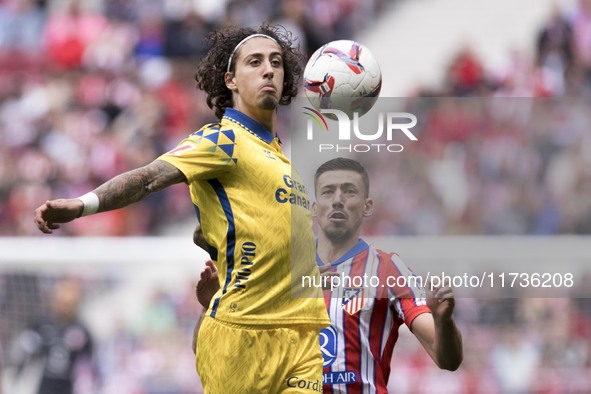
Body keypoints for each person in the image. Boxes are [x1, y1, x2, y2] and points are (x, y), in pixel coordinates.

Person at [33, 24, 329, 393]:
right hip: (243, 337)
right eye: (255, 62)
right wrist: (82, 204)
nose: (269, 69)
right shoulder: (223, 139)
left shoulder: (284, 161)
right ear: (231, 80)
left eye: (276, 62)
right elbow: (149, 177)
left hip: (303, 339)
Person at [193, 157, 463, 393]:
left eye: (349, 192)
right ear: (313, 208)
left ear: (367, 206)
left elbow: (448, 360)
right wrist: (212, 307)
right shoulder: (274, 265)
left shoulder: (388, 269)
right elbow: (204, 349)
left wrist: (444, 322)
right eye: (327, 192)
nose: (337, 200)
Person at [10, 278, 96, 394]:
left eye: (69, 305)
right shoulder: (41, 324)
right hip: (43, 385)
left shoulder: (81, 329)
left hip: (69, 387)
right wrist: (17, 374)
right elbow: (23, 351)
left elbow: (88, 363)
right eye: (62, 303)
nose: (65, 308)